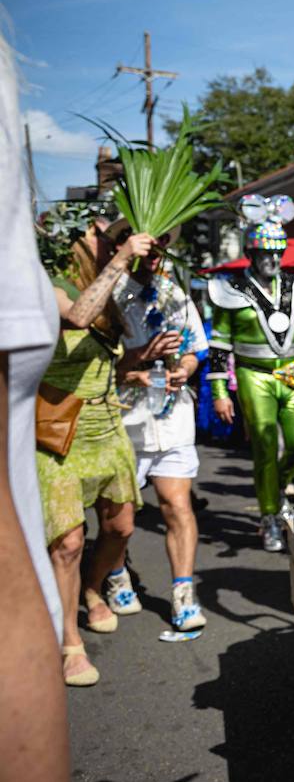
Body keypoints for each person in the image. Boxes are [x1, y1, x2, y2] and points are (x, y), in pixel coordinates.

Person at [0, 26, 71, 782]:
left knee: (108, 526)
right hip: (70, 420)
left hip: (113, 408)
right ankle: (83, 620)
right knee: (76, 535)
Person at [40, 208, 151, 685]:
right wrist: (124, 257)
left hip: (107, 429)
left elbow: (111, 356)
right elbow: (79, 316)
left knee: (121, 528)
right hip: (59, 432)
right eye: (105, 238)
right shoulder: (56, 285)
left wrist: (137, 367)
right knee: (65, 542)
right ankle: (70, 642)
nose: (114, 243)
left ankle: (91, 588)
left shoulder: (110, 291)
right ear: (77, 241)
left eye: (119, 238)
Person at [208, 196, 294, 552]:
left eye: (278, 253)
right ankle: (269, 516)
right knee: (263, 444)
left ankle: (274, 488)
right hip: (253, 373)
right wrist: (219, 393)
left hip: (293, 371)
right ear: (252, 253)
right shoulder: (229, 290)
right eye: (266, 254)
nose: (273, 260)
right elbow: (219, 347)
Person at [110, 233, 208, 630]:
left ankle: (183, 594)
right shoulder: (111, 295)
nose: (155, 255)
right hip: (125, 419)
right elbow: (99, 365)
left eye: (161, 247)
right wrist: (140, 361)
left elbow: (192, 349)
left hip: (171, 418)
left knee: (177, 505)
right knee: (120, 518)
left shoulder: (175, 293)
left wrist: (183, 368)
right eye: (149, 246)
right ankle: (115, 573)